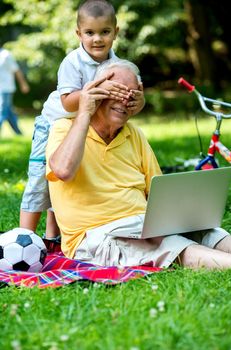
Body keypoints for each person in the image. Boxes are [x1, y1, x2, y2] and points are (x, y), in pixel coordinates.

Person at [46, 59, 231, 269]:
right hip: (97, 236)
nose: (125, 101)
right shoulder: (65, 128)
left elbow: (158, 191)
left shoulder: (133, 133)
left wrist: (182, 217)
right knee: (168, 244)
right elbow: (63, 170)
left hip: (143, 224)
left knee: (209, 232)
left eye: (132, 94)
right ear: (96, 91)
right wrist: (84, 112)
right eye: (117, 92)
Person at [19, 0, 145, 241]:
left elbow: (132, 101)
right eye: (90, 33)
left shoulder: (116, 65)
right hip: (53, 124)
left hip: (83, 127)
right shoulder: (72, 62)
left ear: (115, 33)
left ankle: (52, 236)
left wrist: (138, 101)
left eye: (104, 32)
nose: (97, 39)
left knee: (70, 180)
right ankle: (25, 236)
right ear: (79, 34)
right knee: (39, 179)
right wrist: (97, 89)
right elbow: (67, 102)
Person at [0, 45, 29, 135]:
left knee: (2, 111)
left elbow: (16, 70)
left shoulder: (5, 55)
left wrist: (23, 84)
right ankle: (18, 133)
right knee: (8, 112)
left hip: (6, 88)